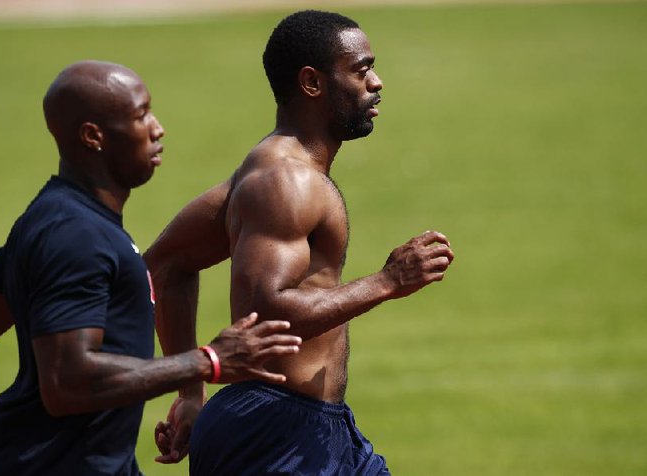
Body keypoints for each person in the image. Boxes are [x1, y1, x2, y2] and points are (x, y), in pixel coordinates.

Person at [0, 60, 303, 476]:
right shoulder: (76, 236)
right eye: (140, 114)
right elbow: (67, 381)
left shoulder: (53, 219)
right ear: (93, 136)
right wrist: (209, 361)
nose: (157, 128)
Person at [144, 10, 455, 475]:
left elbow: (166, 265)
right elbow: (268, 311)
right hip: (276, 435)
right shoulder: (286, 182)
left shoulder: (268, 171)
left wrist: (191, 393)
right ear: (312, 82)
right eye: (362, 69)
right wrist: (388, 281)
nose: (377, 83)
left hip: (310, 429)